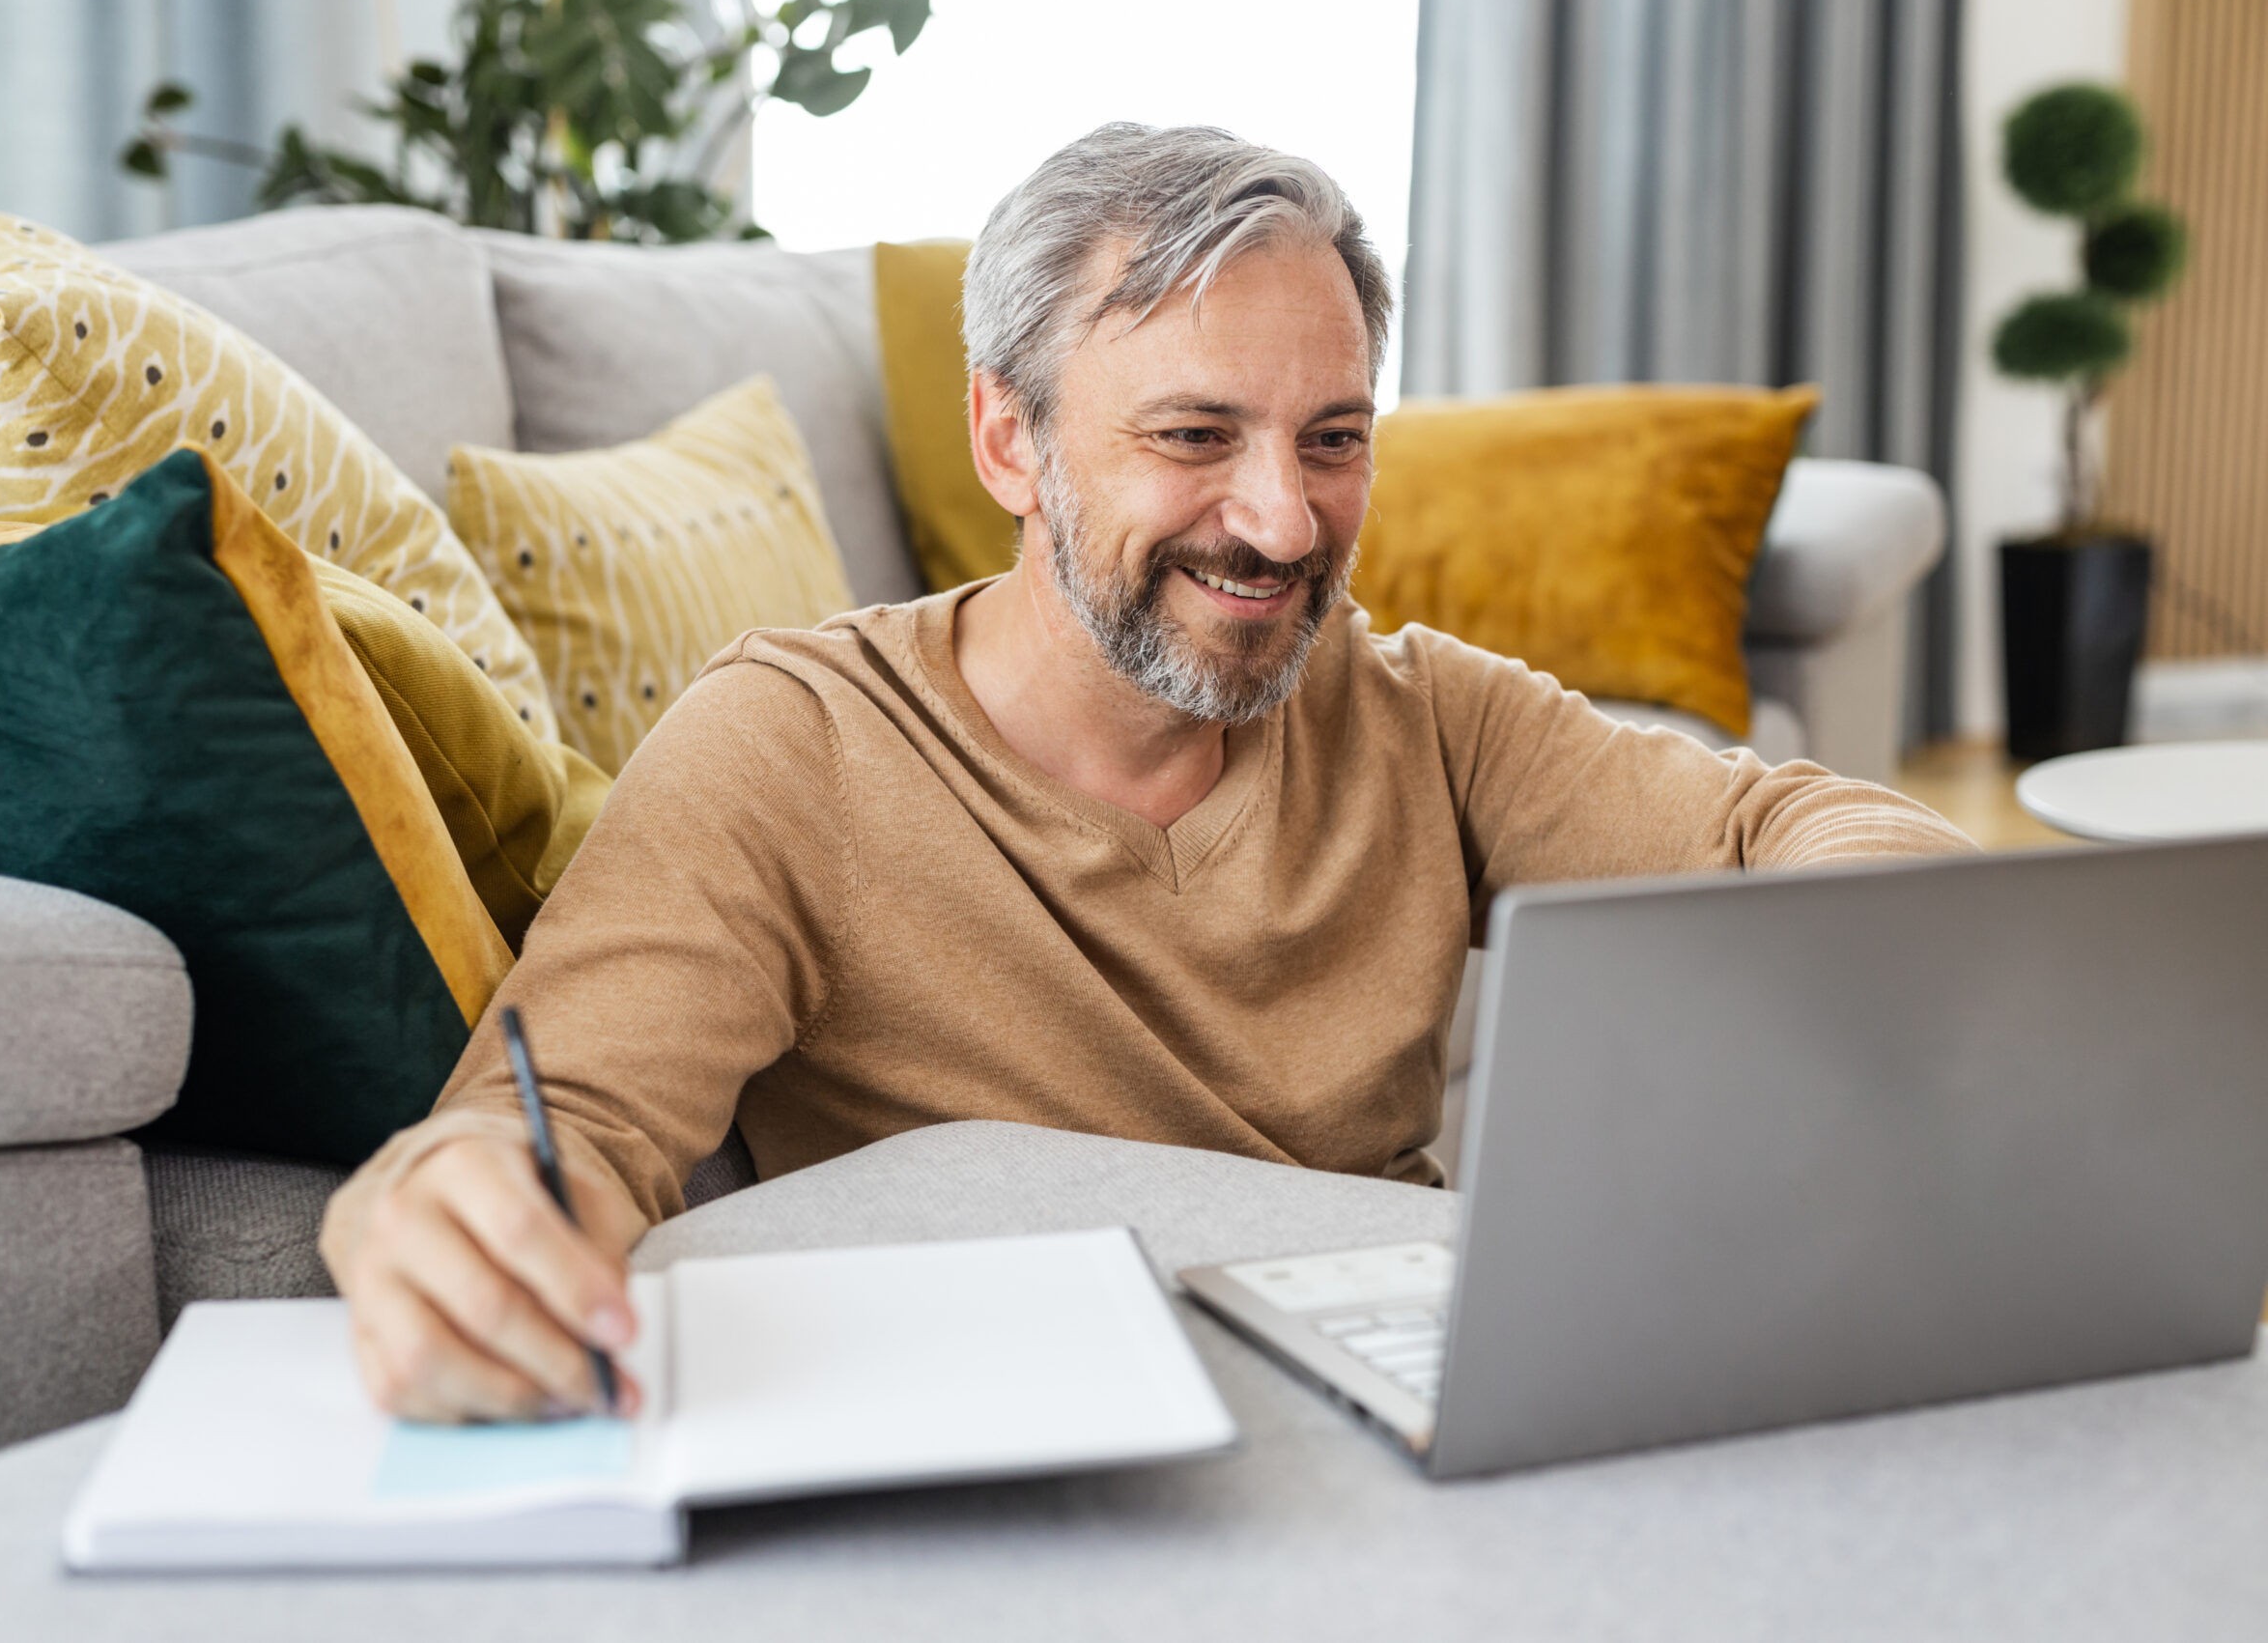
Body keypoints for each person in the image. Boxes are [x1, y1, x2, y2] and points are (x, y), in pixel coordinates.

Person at [319, 123, 1972, 1423]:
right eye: (1193, 437)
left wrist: (1876, 973)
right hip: (1013, 1444)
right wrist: (459, 1215)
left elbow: (1782, 821)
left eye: (1333, 438)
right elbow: (567, 1121)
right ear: (1008, 442)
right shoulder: (795, 743)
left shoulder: (1423, 716)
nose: (1280, 521)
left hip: (1388, 1424)